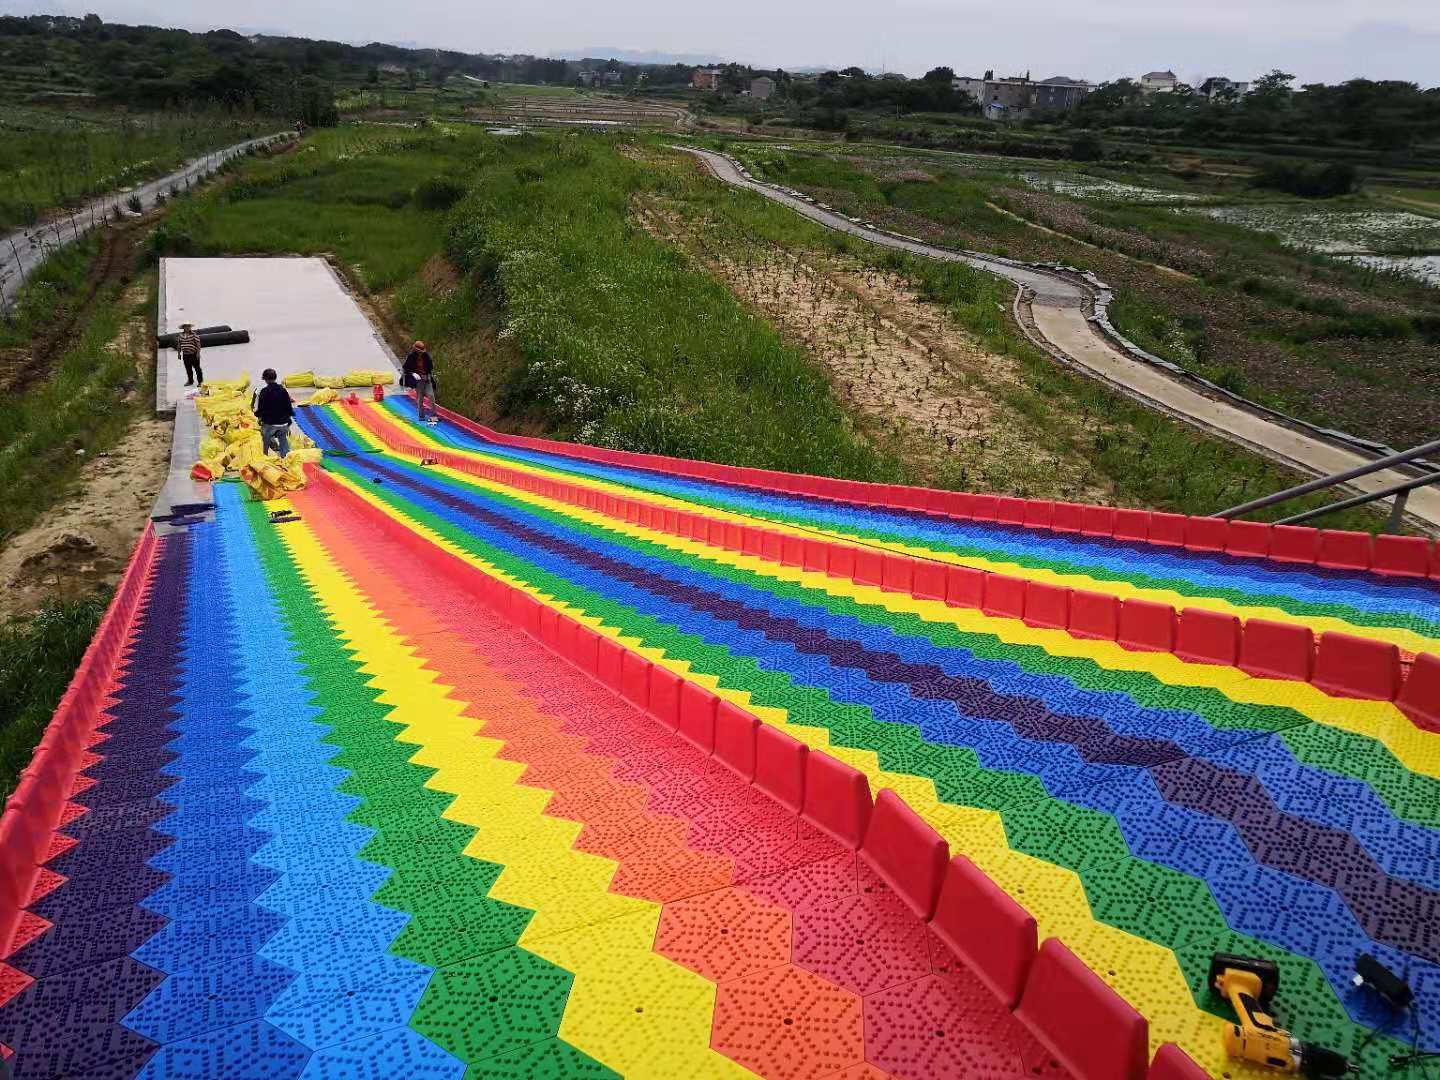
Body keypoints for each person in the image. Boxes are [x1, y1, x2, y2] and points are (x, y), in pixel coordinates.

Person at [254, 368, 295, 458]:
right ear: (275, 378)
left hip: (270, 425)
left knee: (265, 436)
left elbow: (260, 410)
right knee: (283, 439)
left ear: (265, 379)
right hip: (284, 424)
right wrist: (288, 422)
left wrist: (258, 416)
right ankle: (286, 457)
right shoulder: (283, 390)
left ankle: (265, 455)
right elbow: (289, 408)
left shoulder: (264, 392)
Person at [403, 341, 439, 423]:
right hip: (418, 381)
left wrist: (428, 375)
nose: (421, 353)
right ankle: (421, 415)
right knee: (420, 398)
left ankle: (433, 415)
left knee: (431, 396)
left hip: (427, 380)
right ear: (415, 350)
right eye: (419, 351)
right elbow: (406, 368)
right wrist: (413, 373)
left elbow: (430, 367)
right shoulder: (411, 357)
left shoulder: (426, 356)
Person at [176, 323, 203, 387]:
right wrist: (179, 353)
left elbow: (198, 344)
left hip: (193, 354)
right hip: (185, 355)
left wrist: (198, 353)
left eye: (189, 327)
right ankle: (190, 381)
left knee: (197, 368)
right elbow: (179, 344)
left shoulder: (194, 335)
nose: (188, 328)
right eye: (186, 327)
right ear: (184, 328)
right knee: (188, 368)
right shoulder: (180, 335)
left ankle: (200, 382)